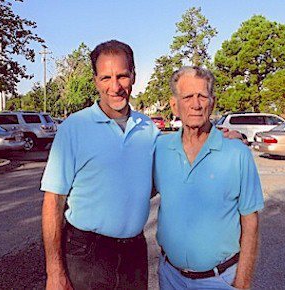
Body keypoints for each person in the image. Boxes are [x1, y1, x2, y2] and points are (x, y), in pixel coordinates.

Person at [41, 40, 159, 290]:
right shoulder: (74, 127)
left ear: (134, 76)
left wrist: (216, 140)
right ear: (95, 80)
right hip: (87, 254)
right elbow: (53, 202)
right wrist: (54, 273)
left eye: (122, 76)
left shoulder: (148, 129)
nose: (115, 87)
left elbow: (165, 178)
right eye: (106, 77)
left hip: (134, 254)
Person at [154, 66, 264, 289]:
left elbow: (250, 223)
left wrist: (242, 284)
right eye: (187, 97)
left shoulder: (238, 154)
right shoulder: (159, 149)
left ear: (211, 103)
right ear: (174, 105)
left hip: (220, 280)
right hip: (170, 277)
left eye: (202, 96)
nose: (195, 104)